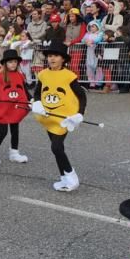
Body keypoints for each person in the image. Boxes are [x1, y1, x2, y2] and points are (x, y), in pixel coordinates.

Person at [30, 42, 87, 192]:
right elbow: (37, 92)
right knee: (57, 148)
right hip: (48, 117)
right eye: (49, 56)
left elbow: (82, 96)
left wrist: (80, 114)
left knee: (56, 147)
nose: (52, 59)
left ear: (63, 59)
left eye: (55, 56)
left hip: (64, 118)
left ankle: (71, 175)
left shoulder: (69, 76)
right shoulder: (42, 74)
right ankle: (64, 178)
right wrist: (37, 103)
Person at [0, 49, 30, 165]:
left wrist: (31, 100)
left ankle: (14, 153)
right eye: (10, 62)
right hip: (3, 108)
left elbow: (25, 90)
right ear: (5, 64)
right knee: (3, 131)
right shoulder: (0, 76)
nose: (13, 64)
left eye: (14, 62)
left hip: (15, 108)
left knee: (15, 131)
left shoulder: (20, 76)